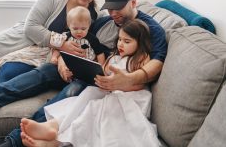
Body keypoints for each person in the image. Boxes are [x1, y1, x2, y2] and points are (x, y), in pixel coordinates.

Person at [0, 0, 167, 147]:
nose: (114, 14)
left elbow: (155, 64)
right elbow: (73, 38)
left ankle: (16, 140)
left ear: (134, 2)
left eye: (119, 8)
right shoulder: (104, 22)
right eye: (110, 8)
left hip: (102, 83)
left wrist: (126, 80)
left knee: (72, 93)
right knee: (44, 71)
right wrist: (60, 59)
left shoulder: (151, 28)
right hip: (80, 68)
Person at [20, 19, 159, 147]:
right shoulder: (115, 57)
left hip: (130, 98)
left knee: (93, 108)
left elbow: (140, 84)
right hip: (110, 92)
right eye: (120, 39)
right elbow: (103, 72)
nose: (121, 44)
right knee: (89, 92)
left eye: (127, 41)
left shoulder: (141, 58)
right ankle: (53, 125)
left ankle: (53, 141)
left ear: (140, 43)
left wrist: (120, 84)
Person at [0, 6, 105, 83]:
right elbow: (57, 48)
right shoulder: (66, 36)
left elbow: (99, 52)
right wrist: (55, 57)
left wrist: (101, 66)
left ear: (89, 26)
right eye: (75, 28)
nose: (79, 32)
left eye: (83, 29)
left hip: (86, 67)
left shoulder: (92, 39)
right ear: (69, 26)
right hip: (68, 66)